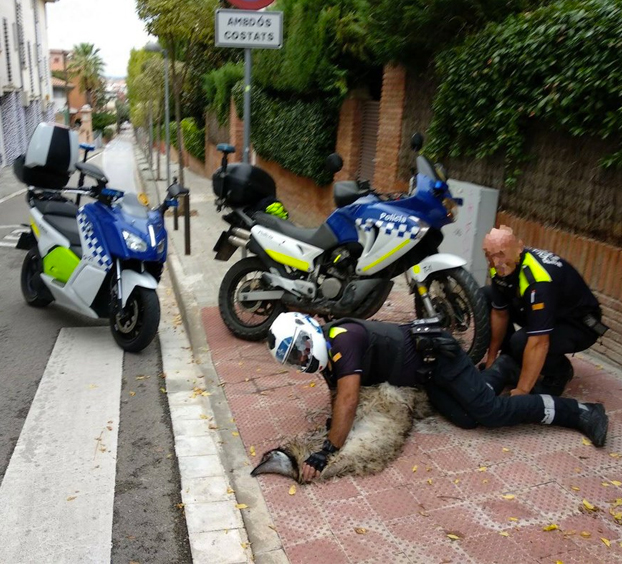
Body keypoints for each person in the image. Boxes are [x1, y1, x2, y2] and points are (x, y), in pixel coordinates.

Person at [267, 312, 608, 482]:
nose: (302, 357)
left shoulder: (342, 340)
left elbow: (347, 399)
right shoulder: (328, 356)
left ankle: (579, 412)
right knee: (466, 418)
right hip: (425, 376)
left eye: (301, 347)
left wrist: (328, 450)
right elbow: (338, 396)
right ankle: (504, 367)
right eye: (293, 357)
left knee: (489, 412)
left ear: (309, 326)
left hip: (439, 358)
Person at [482, 225, 607, 396]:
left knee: (522, 342)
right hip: (550, 310)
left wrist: (522, 390)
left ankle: (560, 372)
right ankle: (513, 356)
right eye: (490, 256)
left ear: (519, 249)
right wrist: (491, 360)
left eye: (501, 255)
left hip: (579, 324)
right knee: (487, 295)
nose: (496, 263)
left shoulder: (539, 280)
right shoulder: (499, 266)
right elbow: (499, 314)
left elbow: (539, 341)